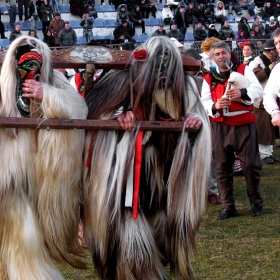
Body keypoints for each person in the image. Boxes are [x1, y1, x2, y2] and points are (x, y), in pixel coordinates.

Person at [83, 35, 212, 280]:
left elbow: (199, 119)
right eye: (156, 68)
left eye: (167, 69)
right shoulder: (121, 81)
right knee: (132, 258)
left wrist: (193, 125)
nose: (162, 78)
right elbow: (95, 113)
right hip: (126, 191)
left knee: (161, 245)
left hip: (166, 181)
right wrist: (118, 116)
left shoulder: (186, 87)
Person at [0, 36, 88, 279]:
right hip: (11, 173)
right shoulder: (3, 85)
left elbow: (80, 110)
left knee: (36, 230)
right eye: (25, 66)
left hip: (42, 171)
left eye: (37, 67)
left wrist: (46, 93)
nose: (31, 73)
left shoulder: (55, 81)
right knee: (20, 230)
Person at [201, 40, 263, 220]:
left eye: (224, 53)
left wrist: (242, 93)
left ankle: (256, 201)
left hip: (244, 124)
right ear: (212, 57)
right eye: (217, 54)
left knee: (251, 165)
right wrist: (215, 104)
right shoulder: (209, 78)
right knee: (222, 167)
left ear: (230, 53)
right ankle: (228, 206)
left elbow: (257, 89)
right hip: (221, 126)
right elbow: (204, 101)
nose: (221, 57)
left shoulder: (243, 70)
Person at [249, 39, 279, 164]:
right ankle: (263, 154)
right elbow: (257, 77)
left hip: (269, 99)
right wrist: (270, 67)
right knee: (262, 128)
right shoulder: (257, 62)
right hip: (260, 100)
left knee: (269, 128)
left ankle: (268, 152)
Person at [263, 29, 280, 142]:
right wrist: (275, 111)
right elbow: (268, 94)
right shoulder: (278, 69)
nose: (278, 46)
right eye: (276, 43)